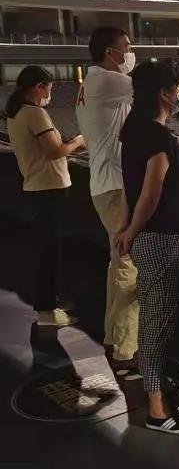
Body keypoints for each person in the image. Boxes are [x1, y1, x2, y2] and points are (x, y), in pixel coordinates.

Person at [76, 27, 179, 375]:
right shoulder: (107, 80)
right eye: (126, 47)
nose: (131, 53)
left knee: (120, 266)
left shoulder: (94, 84)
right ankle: (127, 352)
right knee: (129, 270)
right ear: (110, 52)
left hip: (107, 184)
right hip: (116, 186)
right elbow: (153, 85)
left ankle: (116, 340)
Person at [112, 60, 179, 435]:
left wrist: (127, 228)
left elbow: (132, 188)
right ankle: (157, 411)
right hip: (161, 237)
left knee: (156, 317)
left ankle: (159, 390)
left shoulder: (134, 131)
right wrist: (132, 229)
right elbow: (150, 192)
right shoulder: (158, 138)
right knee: (156, 323)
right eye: (176, 88)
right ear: (164, 94)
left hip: (151, 237)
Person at [6, 66, 86, 326]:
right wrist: (78, 141)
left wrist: (70, 146)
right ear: (38, 87)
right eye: (49, 88)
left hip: (37, 188)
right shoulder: (35, 113)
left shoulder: (17, 113)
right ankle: (47, 310)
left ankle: (49, 303)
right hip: (49, 188)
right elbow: (53, 152)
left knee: (46, 249)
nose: (50, 93)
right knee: (49, 252)